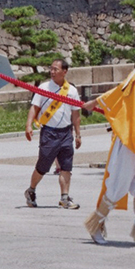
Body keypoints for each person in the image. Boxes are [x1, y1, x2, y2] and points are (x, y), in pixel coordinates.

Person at [81, 31, 135, 248]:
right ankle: (96, 224)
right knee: (118, 186)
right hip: (133, 139)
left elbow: (117, 91)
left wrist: (94, 102)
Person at [24, 59, 82, 211]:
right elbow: (34, 107)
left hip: (66, 132)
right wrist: (28, 125)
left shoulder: (71, 91)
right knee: (43, 165)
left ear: (65, 71)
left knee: (66, 166)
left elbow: (76, 114)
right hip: (49, 132)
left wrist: (78, 134)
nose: (53, 71)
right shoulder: (44, 87)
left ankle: (64, 197)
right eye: (51, 69)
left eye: (56, 69)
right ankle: (31, 190)